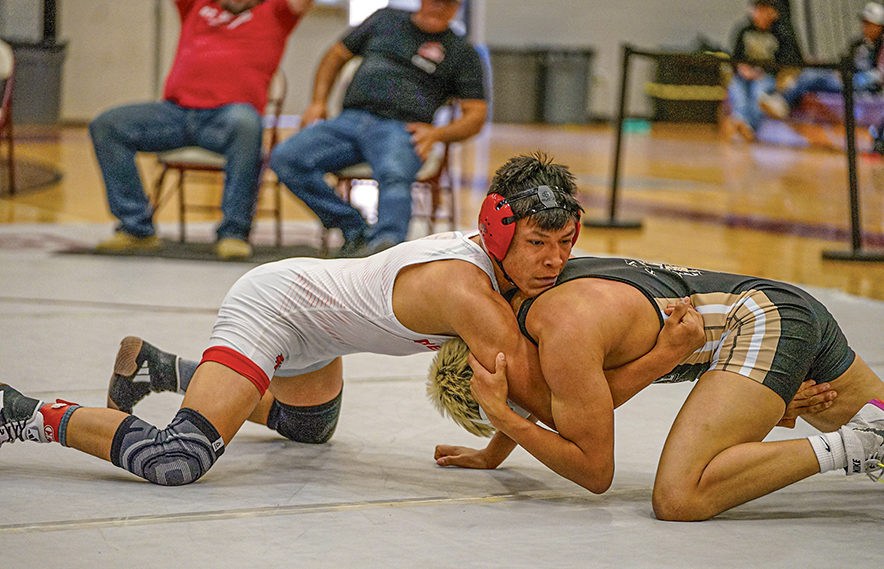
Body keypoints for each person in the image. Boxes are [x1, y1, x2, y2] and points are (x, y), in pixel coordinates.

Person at [4, 153, 688, 487]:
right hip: (275, 309)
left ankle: (161, 368)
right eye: (539, 244)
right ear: (498, 232)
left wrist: (491, 449)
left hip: (320, 336)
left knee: (309, 430)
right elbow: (548, 403)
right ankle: (24, 410)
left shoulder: (512, 269)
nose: (555, 261)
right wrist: (665, 359)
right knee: (176, 460)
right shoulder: (468, 293)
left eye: (566, 243)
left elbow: (533, 392)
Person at [429, 256, 884, 521]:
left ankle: (853, 446)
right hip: (781, 305)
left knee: (679, 496)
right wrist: (492, 453)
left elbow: (592, 467)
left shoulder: (563, 332)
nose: (530, 404)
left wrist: (505, 417)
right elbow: (536, 391)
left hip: (762, 324)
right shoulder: (522, 303)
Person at [89, 0, 312, 261]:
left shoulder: (277, 11)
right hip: (176, 113)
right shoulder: (197, 5)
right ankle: (136, 228)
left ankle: (233, 233)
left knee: (247, 125)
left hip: (228, 118)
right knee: (107, 125)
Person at [269, 0, 488, 258]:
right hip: (350, 119)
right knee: (286, 158)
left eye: (446, 3)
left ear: (456, 7)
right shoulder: (385, 19)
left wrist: (438, 134)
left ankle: (386, 250)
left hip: (402, 128)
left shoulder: (462, 52)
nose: (437, 6)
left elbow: (476, 114)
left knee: (394, 173)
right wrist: (318, 102)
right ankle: (353, 228)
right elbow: (335, 55)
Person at [759, 2, 884, 121]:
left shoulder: (880, 47)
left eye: (869, 23)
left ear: (879, 27)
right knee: (811, 73)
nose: (864, 27)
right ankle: (780, 100)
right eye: (864, 22)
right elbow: (844, 62)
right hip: (846, 80)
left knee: (812, 76)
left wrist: (852, 79)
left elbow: (878, 76)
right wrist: (833, 69)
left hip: (861, 87)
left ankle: (783, 102)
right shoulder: (858, 44)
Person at [724, 0, 803, 141]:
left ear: (773, 13)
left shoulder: (781, 33)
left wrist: (763, 72)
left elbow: (786, 62)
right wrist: (742, 68)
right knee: (737, 89)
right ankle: (740, 122)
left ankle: (748, 126)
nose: (760, 14)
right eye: (758, 10)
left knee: (758, 92)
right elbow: (735, 58)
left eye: (765, 10)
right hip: (744, 75)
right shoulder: (744, 31)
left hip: (766, 76)